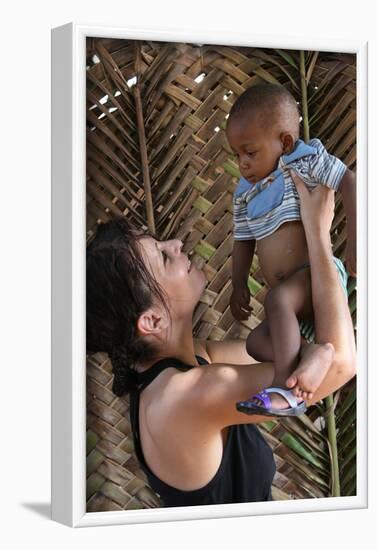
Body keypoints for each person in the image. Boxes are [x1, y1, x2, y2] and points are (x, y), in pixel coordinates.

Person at [86, 174, 355, 508]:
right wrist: (318, 234)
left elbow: (283, 355)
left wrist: (314, 349)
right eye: (164, 256)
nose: (176, 244)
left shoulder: (187, 362)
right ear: (151, 320)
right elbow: (342, 364)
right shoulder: (183, 396)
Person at [226, 83, 356, 416]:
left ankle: (285, 387)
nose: (242, 163)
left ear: (284, 143)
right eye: (237, 154)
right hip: (293, 307)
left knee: (276, 299)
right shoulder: (244, 192)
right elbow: (243, 239)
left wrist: (358, 241)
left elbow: (349, 182)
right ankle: (314, 352)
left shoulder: (305, 160)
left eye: (250, 152)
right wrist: (238, 283)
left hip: (315, 277)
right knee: (255, 342)